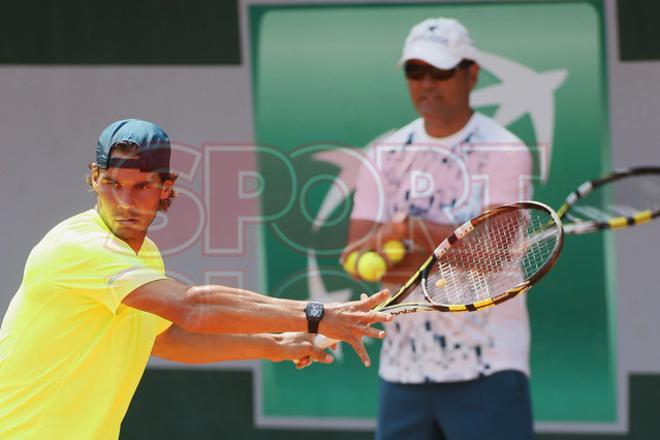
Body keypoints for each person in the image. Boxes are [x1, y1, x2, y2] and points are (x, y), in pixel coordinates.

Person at [0, 118, 391, 439]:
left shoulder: (144, 255)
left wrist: (273, 345)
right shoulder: (79, 248)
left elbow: (168, 339)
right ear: (95, 179)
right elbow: (190, 308)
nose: (124, 202)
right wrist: (316, 314)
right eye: (111, 184)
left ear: (165, 188)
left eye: (141, 187)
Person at [343, 18, 534, 439]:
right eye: (416, 71)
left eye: (440, 71)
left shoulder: (505, 150)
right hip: (403, 370)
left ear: (471, 74)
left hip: (489, 365)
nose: (426, 83)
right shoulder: (385, 153)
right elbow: (355, 258)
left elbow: (492, 255)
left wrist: (407, 229)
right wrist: (445, 248)